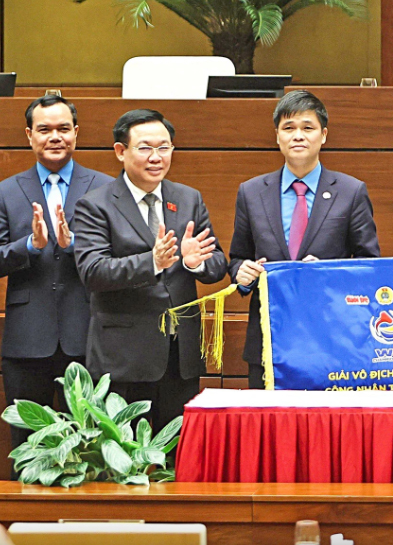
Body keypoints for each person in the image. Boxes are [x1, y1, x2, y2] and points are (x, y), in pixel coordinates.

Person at [73, 109, 227, 430]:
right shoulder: (95, 204)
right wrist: (153, 262)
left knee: (178, 457)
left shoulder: (188, 198)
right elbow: (93, 271)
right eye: (145, 148)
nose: (156, 157)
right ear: (121, 151)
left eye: (164, 147)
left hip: (179, 357)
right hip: (125, 358)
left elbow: (216, 265)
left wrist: (193, 262)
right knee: (125, 463)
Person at [228, 90, 380, 389]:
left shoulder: (350, 191)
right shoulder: (251, 192)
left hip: (332, 340)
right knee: (269, 431)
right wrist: (241, 274)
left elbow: (370, 265)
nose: (298, 136)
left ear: (323, 135)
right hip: (268, 340)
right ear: (277, 137)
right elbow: (237, 258)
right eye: (289, 128)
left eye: (307, 128)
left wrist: (327, 274)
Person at [0, 95, 111, 453]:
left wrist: (75, 242)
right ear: (29, 135)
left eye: (64, 129)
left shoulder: (106, 188)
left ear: (76, 134)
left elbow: (118, 256)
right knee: (28, 443)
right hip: (27, 338)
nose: (55, 137)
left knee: (90, 443)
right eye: (44, 129)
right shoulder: (5, 191)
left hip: (89, 333)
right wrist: (30, 245)